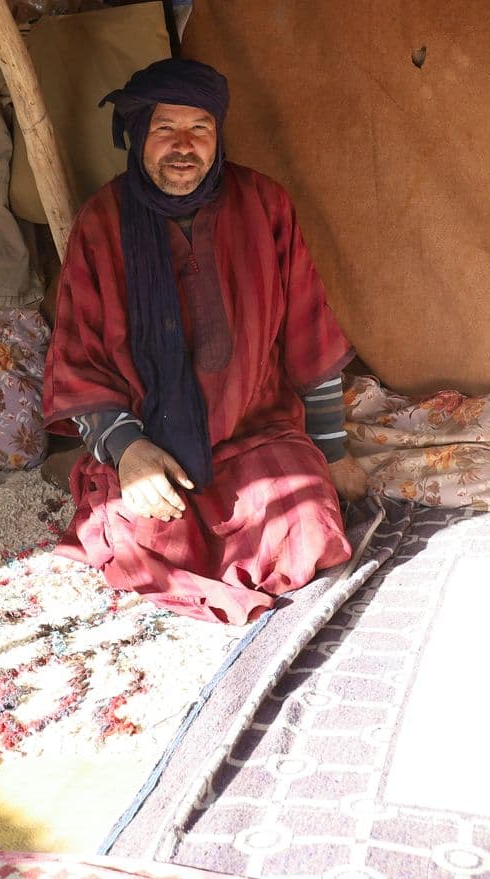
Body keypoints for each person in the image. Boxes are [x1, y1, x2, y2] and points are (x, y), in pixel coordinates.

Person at [43, 57, 367, 624]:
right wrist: (129, 453)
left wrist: (333, 452)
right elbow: (80, 360)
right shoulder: (101, 223)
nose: (184, 145)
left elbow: (307, 334)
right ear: (139, 135)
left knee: (310, 527)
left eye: (201, 129)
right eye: (166, 128)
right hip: (154, 445)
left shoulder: (265, 204)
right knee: (141, 539)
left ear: (218, 137)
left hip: (258, 433)